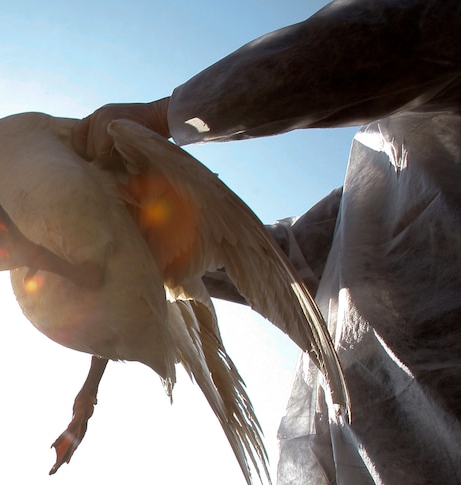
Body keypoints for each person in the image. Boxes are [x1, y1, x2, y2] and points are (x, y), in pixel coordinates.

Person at [72, 1, 461, 484]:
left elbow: (391, 39)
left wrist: (165, 116)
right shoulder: (401, 182)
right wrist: (155, 247)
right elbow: (289, 263)